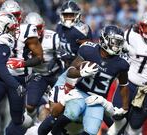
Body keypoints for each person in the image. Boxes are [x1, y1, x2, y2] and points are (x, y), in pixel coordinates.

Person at [49, 25, 130, 135]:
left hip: (98, 99)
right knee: (71, 114)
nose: (117, 46)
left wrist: (125, 108)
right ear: (104, 39)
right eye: (114, 42)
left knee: (92, 131)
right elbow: (70, 71)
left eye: (119, 43)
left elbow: (123, 85)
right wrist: (80, 73)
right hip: (80, 92)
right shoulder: (88, 50)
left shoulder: (122, 63)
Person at [0, 1, 44, 135]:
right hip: (0, 77)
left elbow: (39, 57)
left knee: (18, 119)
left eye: (16, 14)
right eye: (10, 15)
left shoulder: (26, 30)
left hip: (18, 79)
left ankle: (32, 126)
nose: (13, 19)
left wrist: (23, 63)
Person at [38, 1, 92, 134]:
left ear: (77, 15)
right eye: (66, 15)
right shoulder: (59, 27)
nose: (68, 18)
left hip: (77, 69)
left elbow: (89, 52)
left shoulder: (82, 30)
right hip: (63, 68)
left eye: (71, 15)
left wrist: (73, 57)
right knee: (56, 100)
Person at [23, 12, 62, 121]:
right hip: (39, 74)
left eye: (38, 28)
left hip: (56, 74)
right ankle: (36, 121)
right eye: (33, 29)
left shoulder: (53, 38)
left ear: (43, 26)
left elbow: (64, 54)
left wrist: (58, 58)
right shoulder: (22, 40)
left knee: (56, 108)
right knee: (30, 106)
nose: (36, 32)